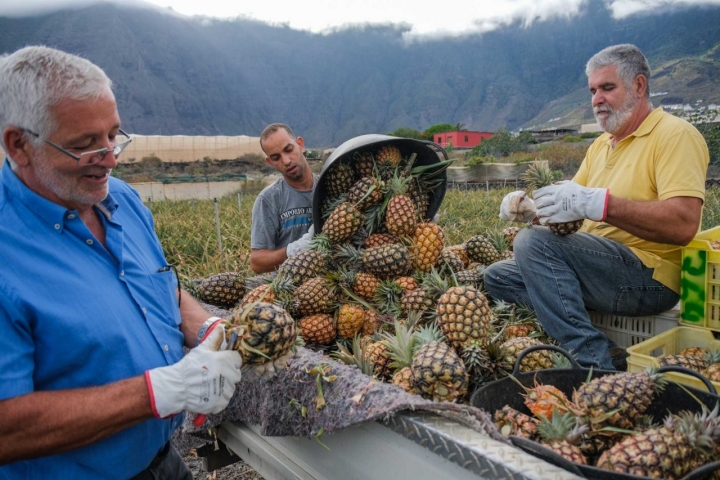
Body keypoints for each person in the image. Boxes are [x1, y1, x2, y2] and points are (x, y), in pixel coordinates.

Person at [0, 46, 250, 479]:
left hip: (161, 461)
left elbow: (160, 287)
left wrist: (205, 327)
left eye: (114, 136)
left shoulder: (124, 201)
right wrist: (156, 392)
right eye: (85, 145)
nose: (111, 159)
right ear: (19, 144)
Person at [485, 44, 709, 370]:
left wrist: (601, 204)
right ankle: (609, 351)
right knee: (498, 278)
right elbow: (570, 215)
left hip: (649, 278)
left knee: (532, 244)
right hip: (600, 267)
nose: (596, 100)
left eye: (607, 88)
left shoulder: (675, 135)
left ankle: (592, 363)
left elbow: (683, 225)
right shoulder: (601, 146)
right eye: (592, 91)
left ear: (639, 86)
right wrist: (531, 210)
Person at [249, 123, 317, 273]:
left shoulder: (329, 186)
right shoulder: (268, 199)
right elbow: (257, 262)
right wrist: (293, 250)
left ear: (300, 144)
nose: (286, 161)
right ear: (270, 162)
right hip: (291, 287)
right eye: (276, 157)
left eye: (288, 149)